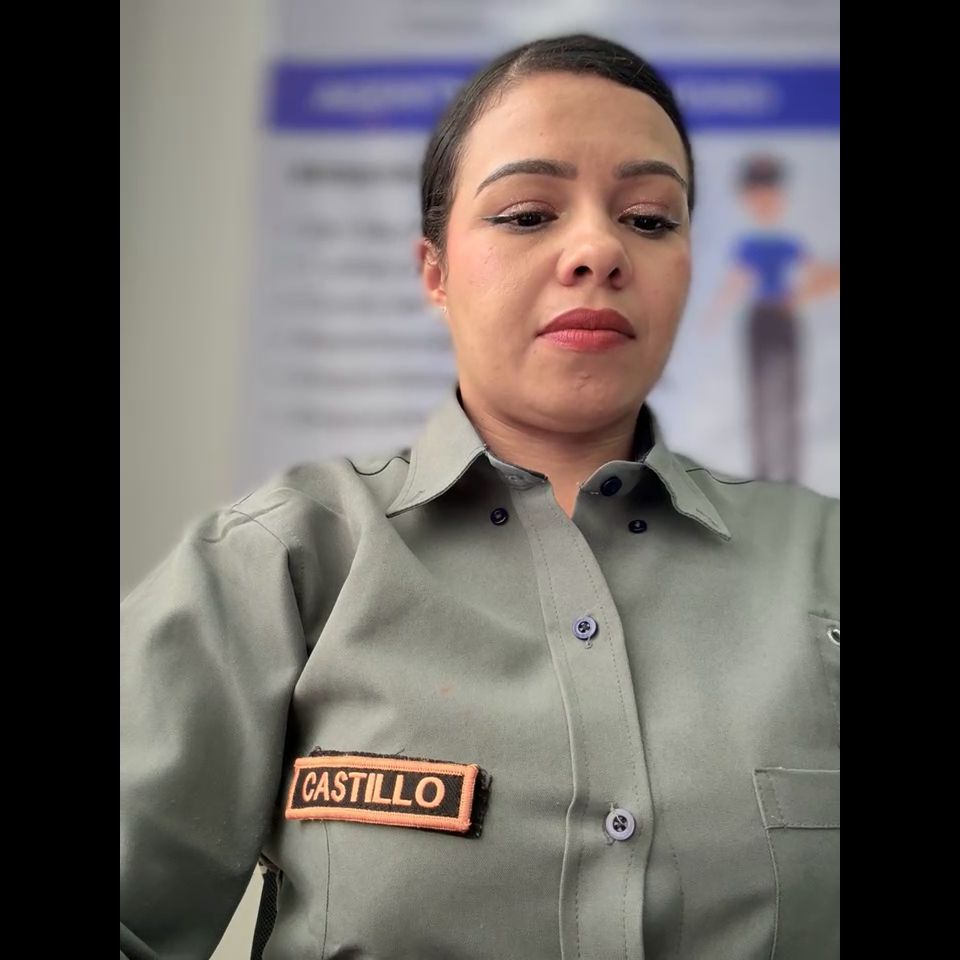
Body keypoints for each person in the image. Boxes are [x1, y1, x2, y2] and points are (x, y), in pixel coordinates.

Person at [121, 33, 839, 960]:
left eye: (650, 219)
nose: (599, 249)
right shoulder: (284, 559)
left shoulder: (822, 564)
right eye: (528, 213)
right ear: (436, 273)